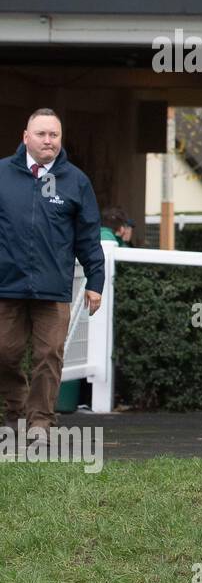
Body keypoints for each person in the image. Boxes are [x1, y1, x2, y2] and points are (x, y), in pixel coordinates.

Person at [0, 108, 105, 441]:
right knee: (4, 353)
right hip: (6, 286)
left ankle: (41, 421)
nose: (48, 140)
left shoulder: (75, 181)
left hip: (53, 289)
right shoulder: (2, 174)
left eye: (54, 135)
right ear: (26, 137)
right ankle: (15, 412)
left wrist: (96, 282)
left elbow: (89, 235)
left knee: (49, 356)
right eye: (42, 134)